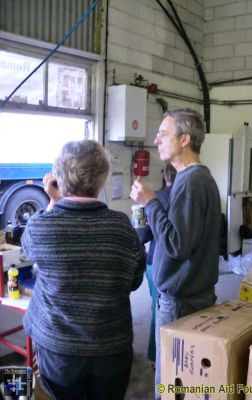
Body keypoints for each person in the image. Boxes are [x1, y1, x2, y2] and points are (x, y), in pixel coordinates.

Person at [22, 140, 146, 400]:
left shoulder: (41, 227)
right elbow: (134, 281)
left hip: (59, 352)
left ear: (58, 177)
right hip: (111, 349)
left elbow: (30, 250)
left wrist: (54, 201)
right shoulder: (123, 227)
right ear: (102, 178)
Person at [130, 108, 221, 399]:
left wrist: (150, 202)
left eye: (163, 133)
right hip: (193, 293)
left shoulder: (192, 181)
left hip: (182, 300)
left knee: (170, 380)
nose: (156, 140)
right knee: (185, 378)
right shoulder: (194, 178)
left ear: (184, 139)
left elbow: (176, 244)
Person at [135, 162, 176, 365]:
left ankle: (155, 357)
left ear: (164, 175)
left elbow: (142, 236)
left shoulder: (154, 198)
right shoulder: (186, 198)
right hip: (179, 264)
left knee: (157, 310)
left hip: (155, 262)